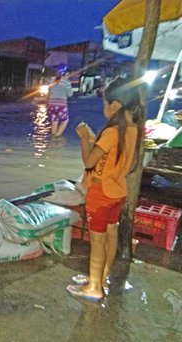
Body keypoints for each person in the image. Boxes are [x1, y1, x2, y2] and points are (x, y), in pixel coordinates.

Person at [66, 76, 144, 302]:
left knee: (97, 241)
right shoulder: (133, 129)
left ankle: (93, 287)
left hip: (101, 195)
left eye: (105, 103)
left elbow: (90, 162)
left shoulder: (112, 132)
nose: (104, 108)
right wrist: (93, 137)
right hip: (117, 193)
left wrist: (83, 139)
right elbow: (110, 154)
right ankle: (101, 277)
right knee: (111, 234)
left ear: (116, 105)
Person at [47, 64, 73, 137]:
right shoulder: (66, 81)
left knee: (54, 121)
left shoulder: (52, 80)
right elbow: (70, 94)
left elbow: (49, 90)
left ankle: (53, 137)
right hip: (61, 105)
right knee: (65, 121)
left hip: (51, 104)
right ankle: (57, 137)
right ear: (65, 72)